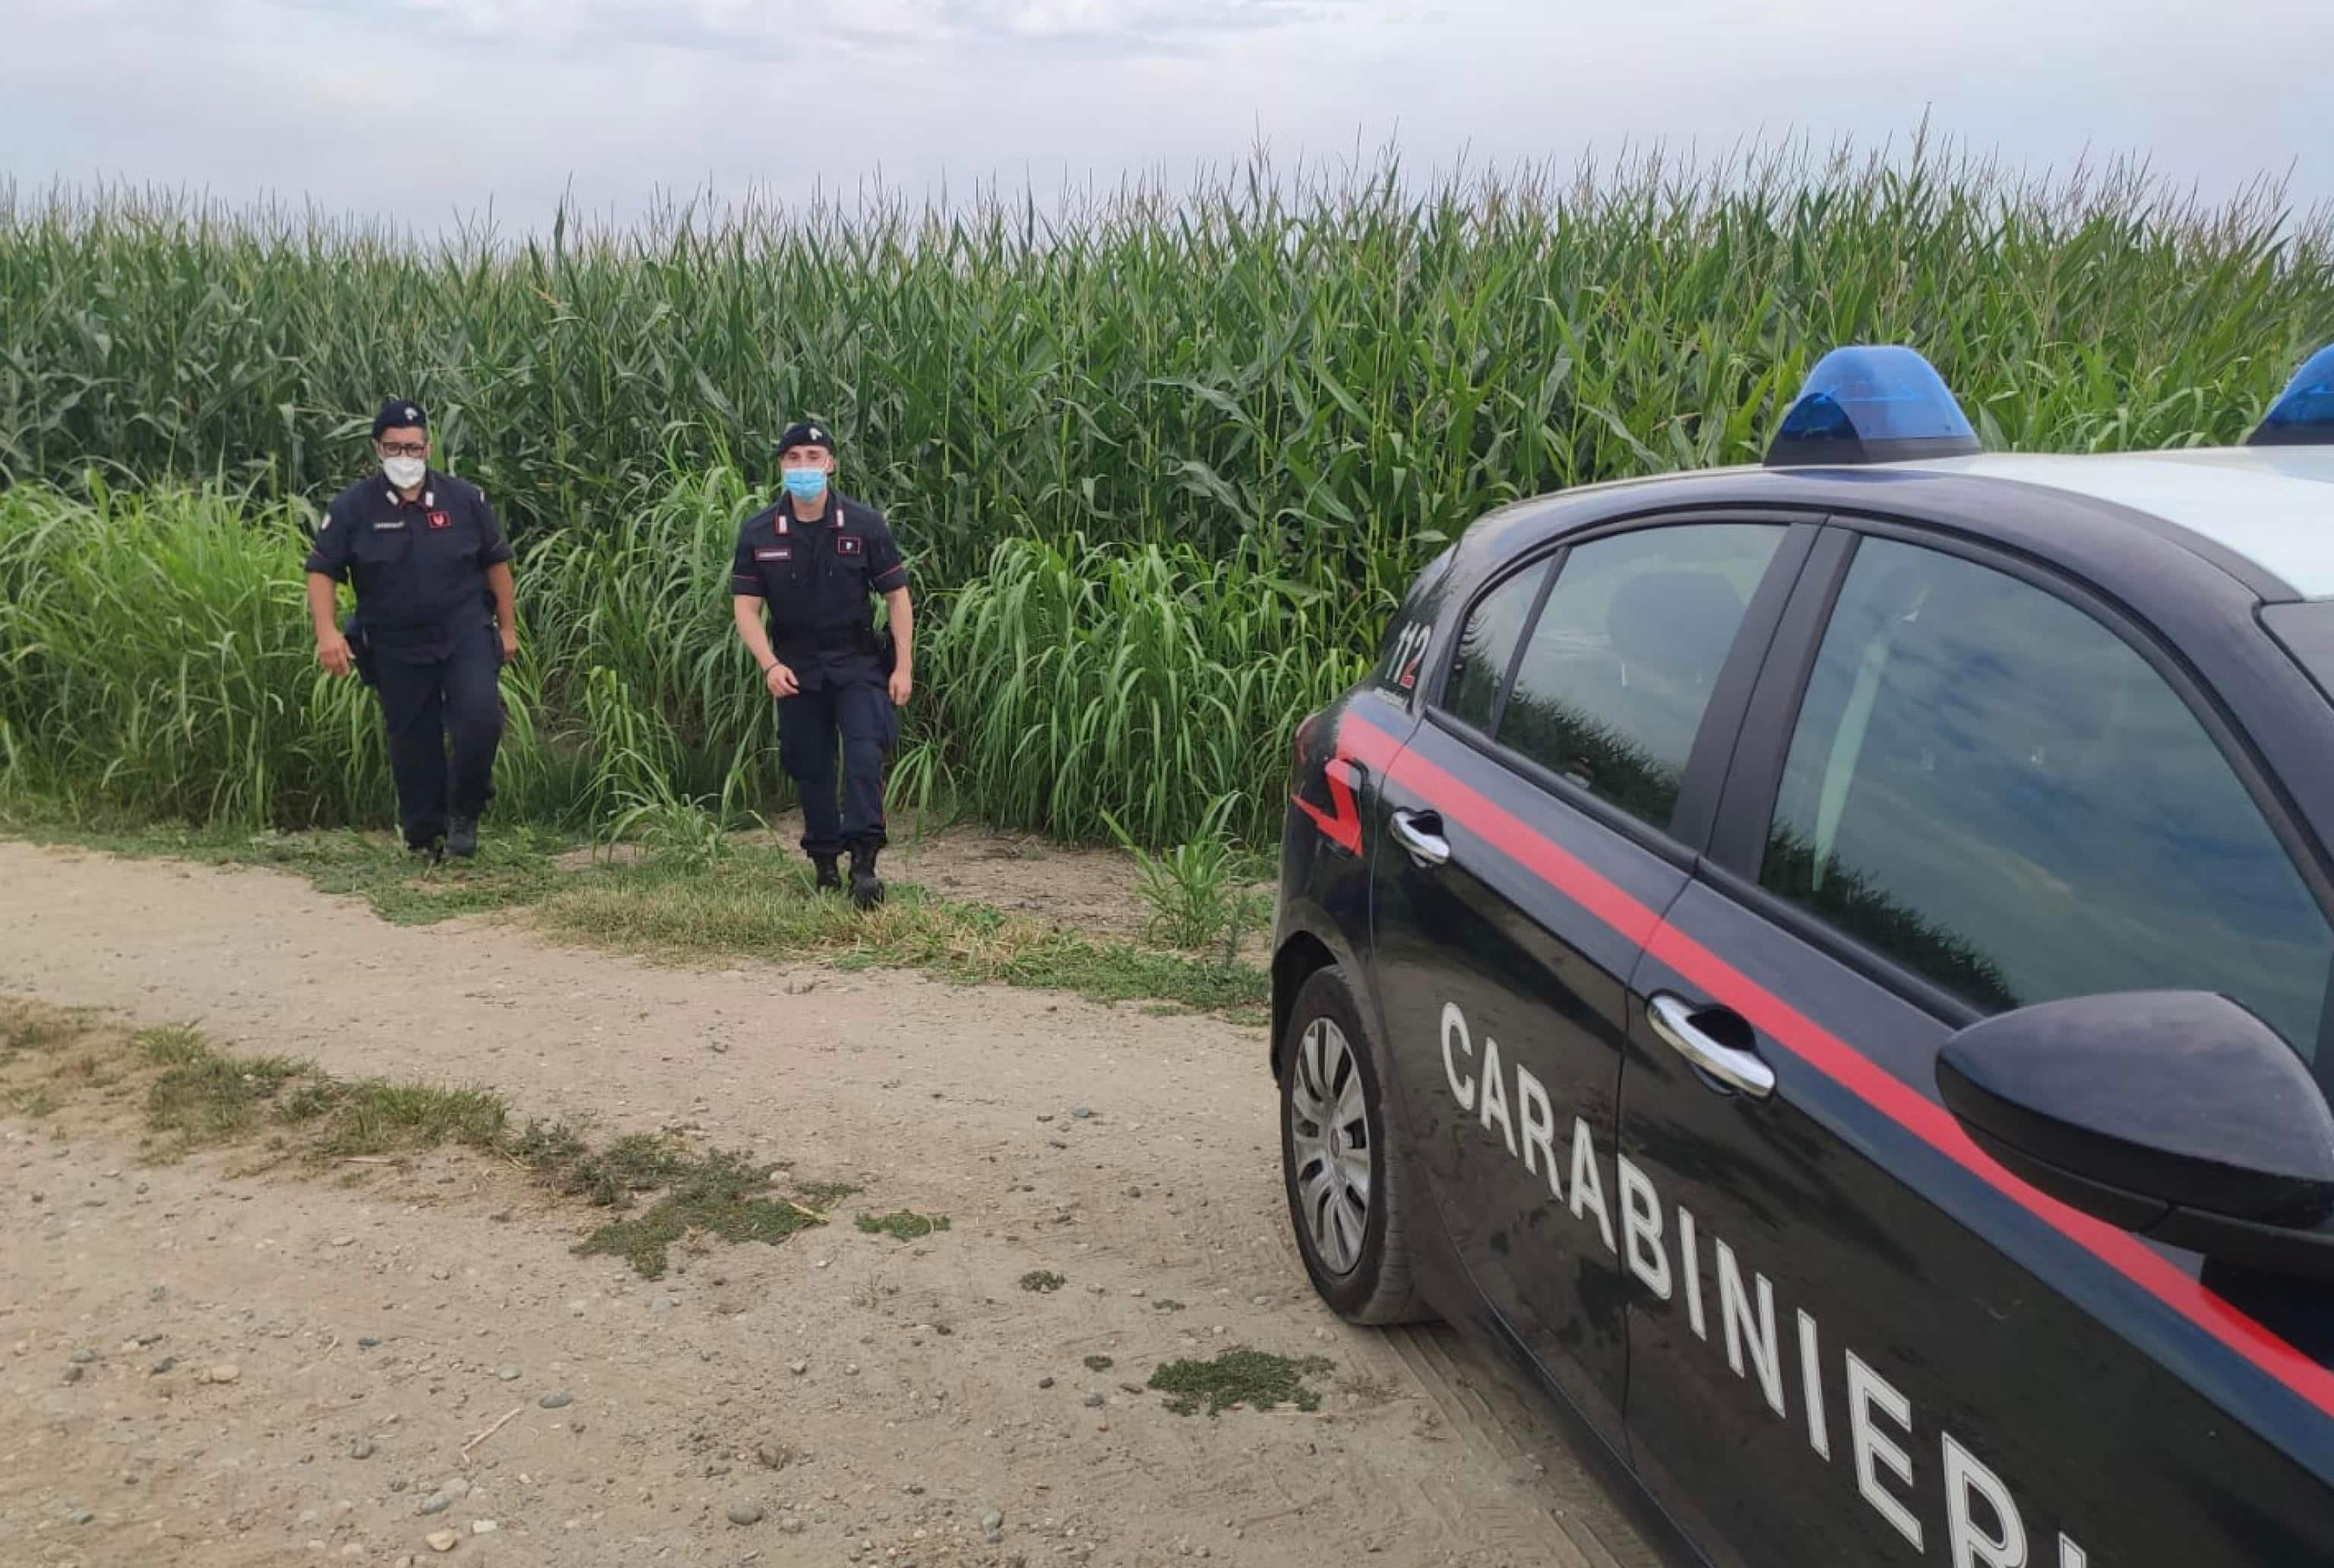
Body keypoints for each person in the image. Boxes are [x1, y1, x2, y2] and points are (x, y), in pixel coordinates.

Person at [305, 398, 518, 861]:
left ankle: (465, 811)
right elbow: (322, 570)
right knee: (413, 741)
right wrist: (327, 633)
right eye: (394, 448)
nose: (406, 458)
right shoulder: (352, 509)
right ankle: (426, 836)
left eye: (414, 448)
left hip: (464, 634)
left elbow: (497, 564)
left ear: (429, 448)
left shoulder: (464, 500)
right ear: (377, 449)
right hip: (394, 641)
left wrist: (508, 628)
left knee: (480, 721)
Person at [729, 419, 913, 907]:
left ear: (830, 464)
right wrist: (769, 664)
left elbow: (897, 597)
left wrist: (903, 667)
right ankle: (825, 864)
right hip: (796, 666)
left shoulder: (864, 525)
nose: (804, 468)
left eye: (813, 458)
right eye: (793, 459)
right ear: (781, 467)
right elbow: (746, 608)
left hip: (857, 664)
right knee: (810, 766)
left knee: (863, 757)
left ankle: (865, 866)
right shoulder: (759, 532)